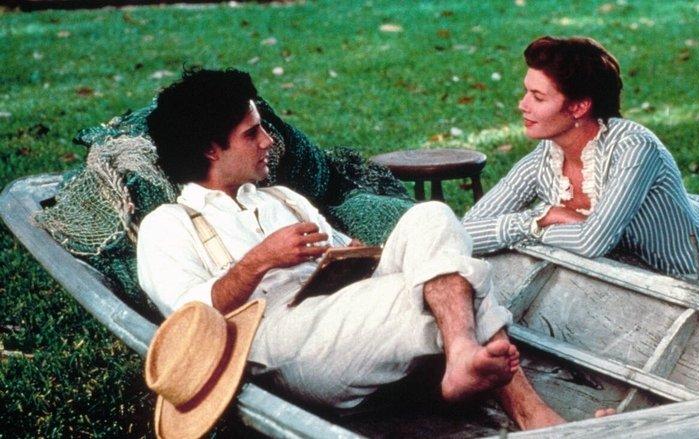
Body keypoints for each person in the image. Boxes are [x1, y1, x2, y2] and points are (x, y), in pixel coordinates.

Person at [136, 68, 586, 430]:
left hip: (343, 311)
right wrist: (260, 261)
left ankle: (462, 353)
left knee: (430, 218)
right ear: (212, 150)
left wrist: (355, 253)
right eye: (252, 134)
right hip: (276, 342)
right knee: (436, 288)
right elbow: (187, 320)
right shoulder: (169, 225)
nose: (269, 142)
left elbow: (345, 256)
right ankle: (527, 410)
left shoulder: (281, 199)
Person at [463, 36, 699, 309]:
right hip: (650, 285)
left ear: (578, 107)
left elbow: (592, 242)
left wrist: (533, 229)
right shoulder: (545, 159)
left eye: (538, 97)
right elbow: (465, 233)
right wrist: (539, 219)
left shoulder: (634, 147)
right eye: (526, 92)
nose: (522, 105)